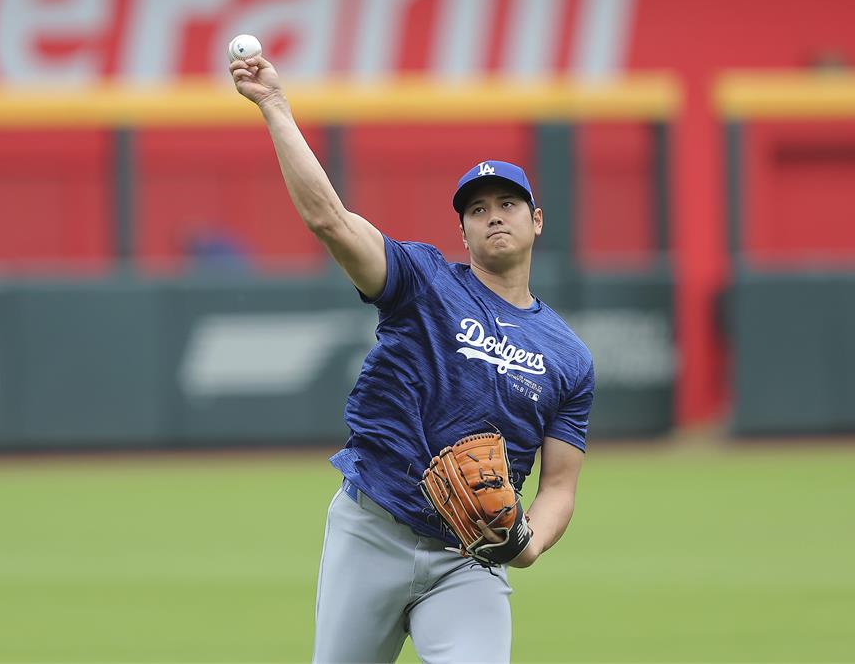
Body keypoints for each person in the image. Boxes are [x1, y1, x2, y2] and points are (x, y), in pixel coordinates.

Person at [230, 54, 594, 664]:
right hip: (370, 528)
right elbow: (331, 221)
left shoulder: (568, 356)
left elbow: (559, 485)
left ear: (535, 220)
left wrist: (527, 543)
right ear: (464, 233)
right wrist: (276, 107)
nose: (492, 216)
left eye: (506, 204)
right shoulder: (423, 281)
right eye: (477, 210)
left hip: (468, 558)